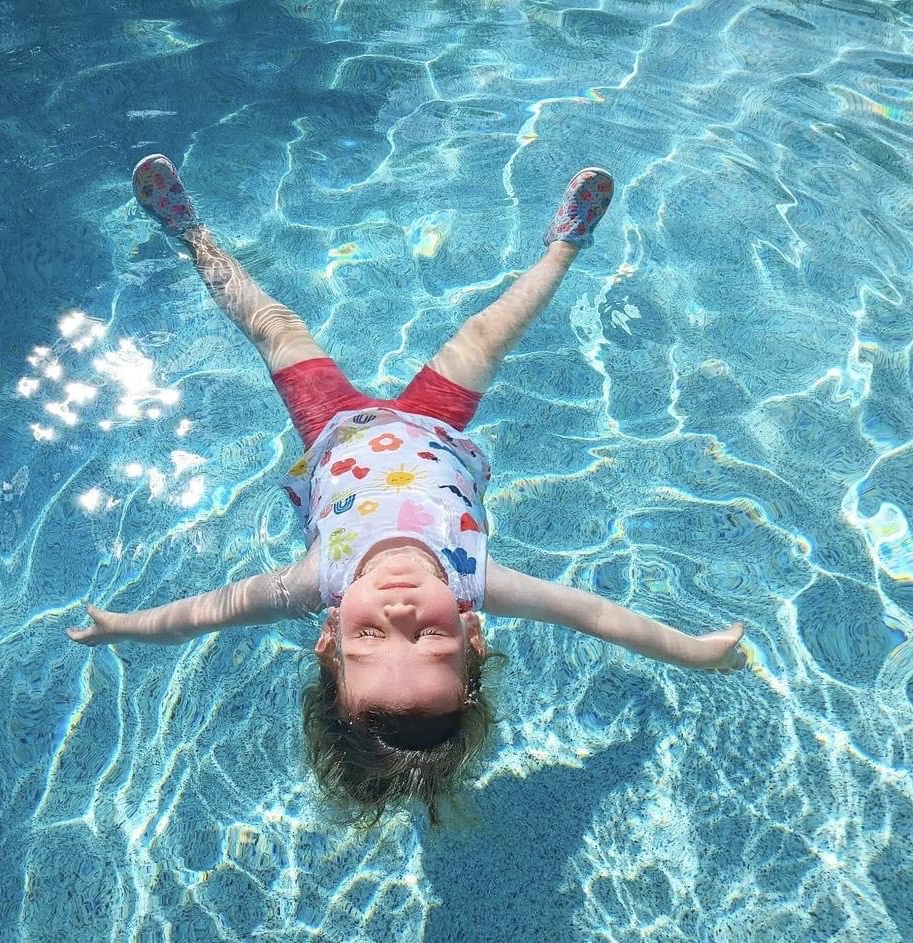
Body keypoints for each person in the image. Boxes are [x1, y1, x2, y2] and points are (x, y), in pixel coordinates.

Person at [67, 155, 747, 826]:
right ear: (471, 634)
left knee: (276, 328)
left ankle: (191, 235)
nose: (398, 608)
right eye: (427, 633)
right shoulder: (475, 577)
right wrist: (692, 649)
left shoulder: (314, 580)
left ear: (329, 636)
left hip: (331, 425)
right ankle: (566, 247)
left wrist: (125, 626)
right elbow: (594, 615)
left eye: (369, 631)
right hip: (433, 421)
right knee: (487, 331)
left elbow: (208, 611)